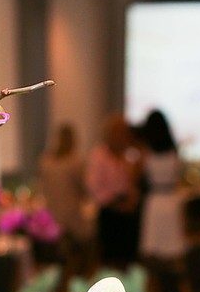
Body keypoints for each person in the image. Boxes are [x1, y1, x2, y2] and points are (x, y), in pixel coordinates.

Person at [85, 113, 143, 269]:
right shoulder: (99, 155)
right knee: (110, 260)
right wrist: (114, 203)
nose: (121, 136)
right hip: (109, 212)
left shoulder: (131, 155)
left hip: (128, 211)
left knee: (129, 259)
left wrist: (130, 200)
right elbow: (93, 186)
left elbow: (134, 184)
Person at [37, 123, 93, 275]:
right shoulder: (75, 162)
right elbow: (84, 189)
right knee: (84, 247)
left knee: (59, 258)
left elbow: (42, 187)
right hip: (71, 216)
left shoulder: (46, 161)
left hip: (51, 215)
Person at [139, 109, 185, 262]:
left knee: (154, 249)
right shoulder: (174, 151)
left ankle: (157, 283)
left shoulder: (146, 153)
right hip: (171, 199)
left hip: (155, 200)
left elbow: (139, 176)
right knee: (171, 248)